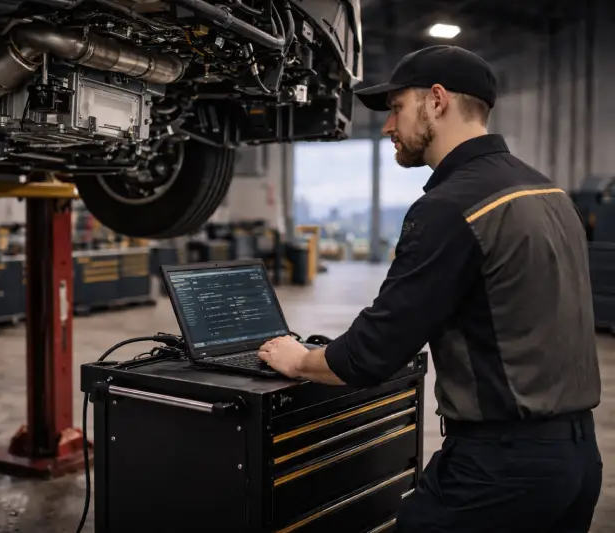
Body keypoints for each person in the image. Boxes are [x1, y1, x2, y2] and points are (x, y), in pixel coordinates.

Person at [258, 45, 603, 532]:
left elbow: (373, 352)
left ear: (436, 101)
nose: (387, 126)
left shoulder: (452, 205)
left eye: (396, 108)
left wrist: (298, 359)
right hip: (578, 459)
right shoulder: (549, 193)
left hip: (500, 470)